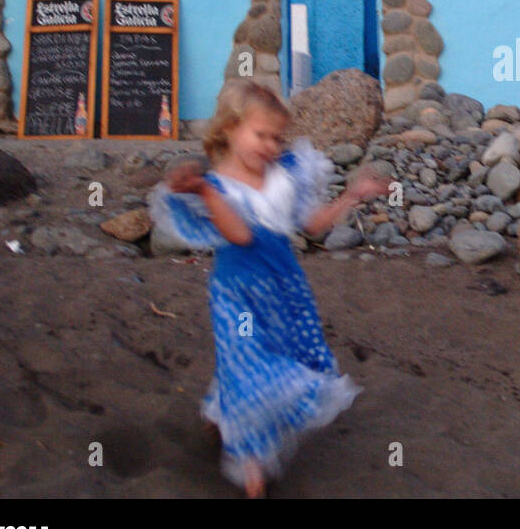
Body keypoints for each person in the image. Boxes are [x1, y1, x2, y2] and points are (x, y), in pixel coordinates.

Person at [149, 80, 390, 497]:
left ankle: (218, 415)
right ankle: (252, 467)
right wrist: (203, 190)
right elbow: (239, 235)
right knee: (249, 364)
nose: (271, 145)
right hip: (237, 297)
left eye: (277, 137)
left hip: (284, 293)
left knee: (266, 357)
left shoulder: (284, 177)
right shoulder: (218, 186)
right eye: (260, 135)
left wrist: (352, 195)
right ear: (228, 129)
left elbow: (311, 225)